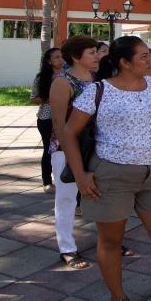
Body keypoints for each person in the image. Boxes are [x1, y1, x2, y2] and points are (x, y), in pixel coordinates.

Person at [60, 36, 151, 301]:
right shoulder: (99, 91)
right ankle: (119, 299)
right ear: (124, 62)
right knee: (111, 241)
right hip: (112, 174)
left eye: (150, 55)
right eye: (143, 56)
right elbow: (68, 133)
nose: (150, 60)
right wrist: (80, 174)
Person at [47, 36, 100, 269]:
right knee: (67, 197)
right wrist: (71, 153)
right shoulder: (62, 82)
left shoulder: (97, 80)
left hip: (95, 146)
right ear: (77, 57)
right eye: (92, 52)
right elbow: (59, 124)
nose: (97, 56)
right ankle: (66, 247)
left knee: (102, 195)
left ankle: (109, 240)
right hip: (66, 148)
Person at [31, 48, 64, 194]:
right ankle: (47, 181)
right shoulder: (42, 78)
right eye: (57, 57)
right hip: (46, 118)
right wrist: (51, 98)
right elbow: (33, 98)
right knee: (48, 149)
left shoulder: (69, 76)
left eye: (62, 56)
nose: (61, 60)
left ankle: (65, 179)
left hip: (66, 118)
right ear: (49, 61)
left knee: (65, 149)